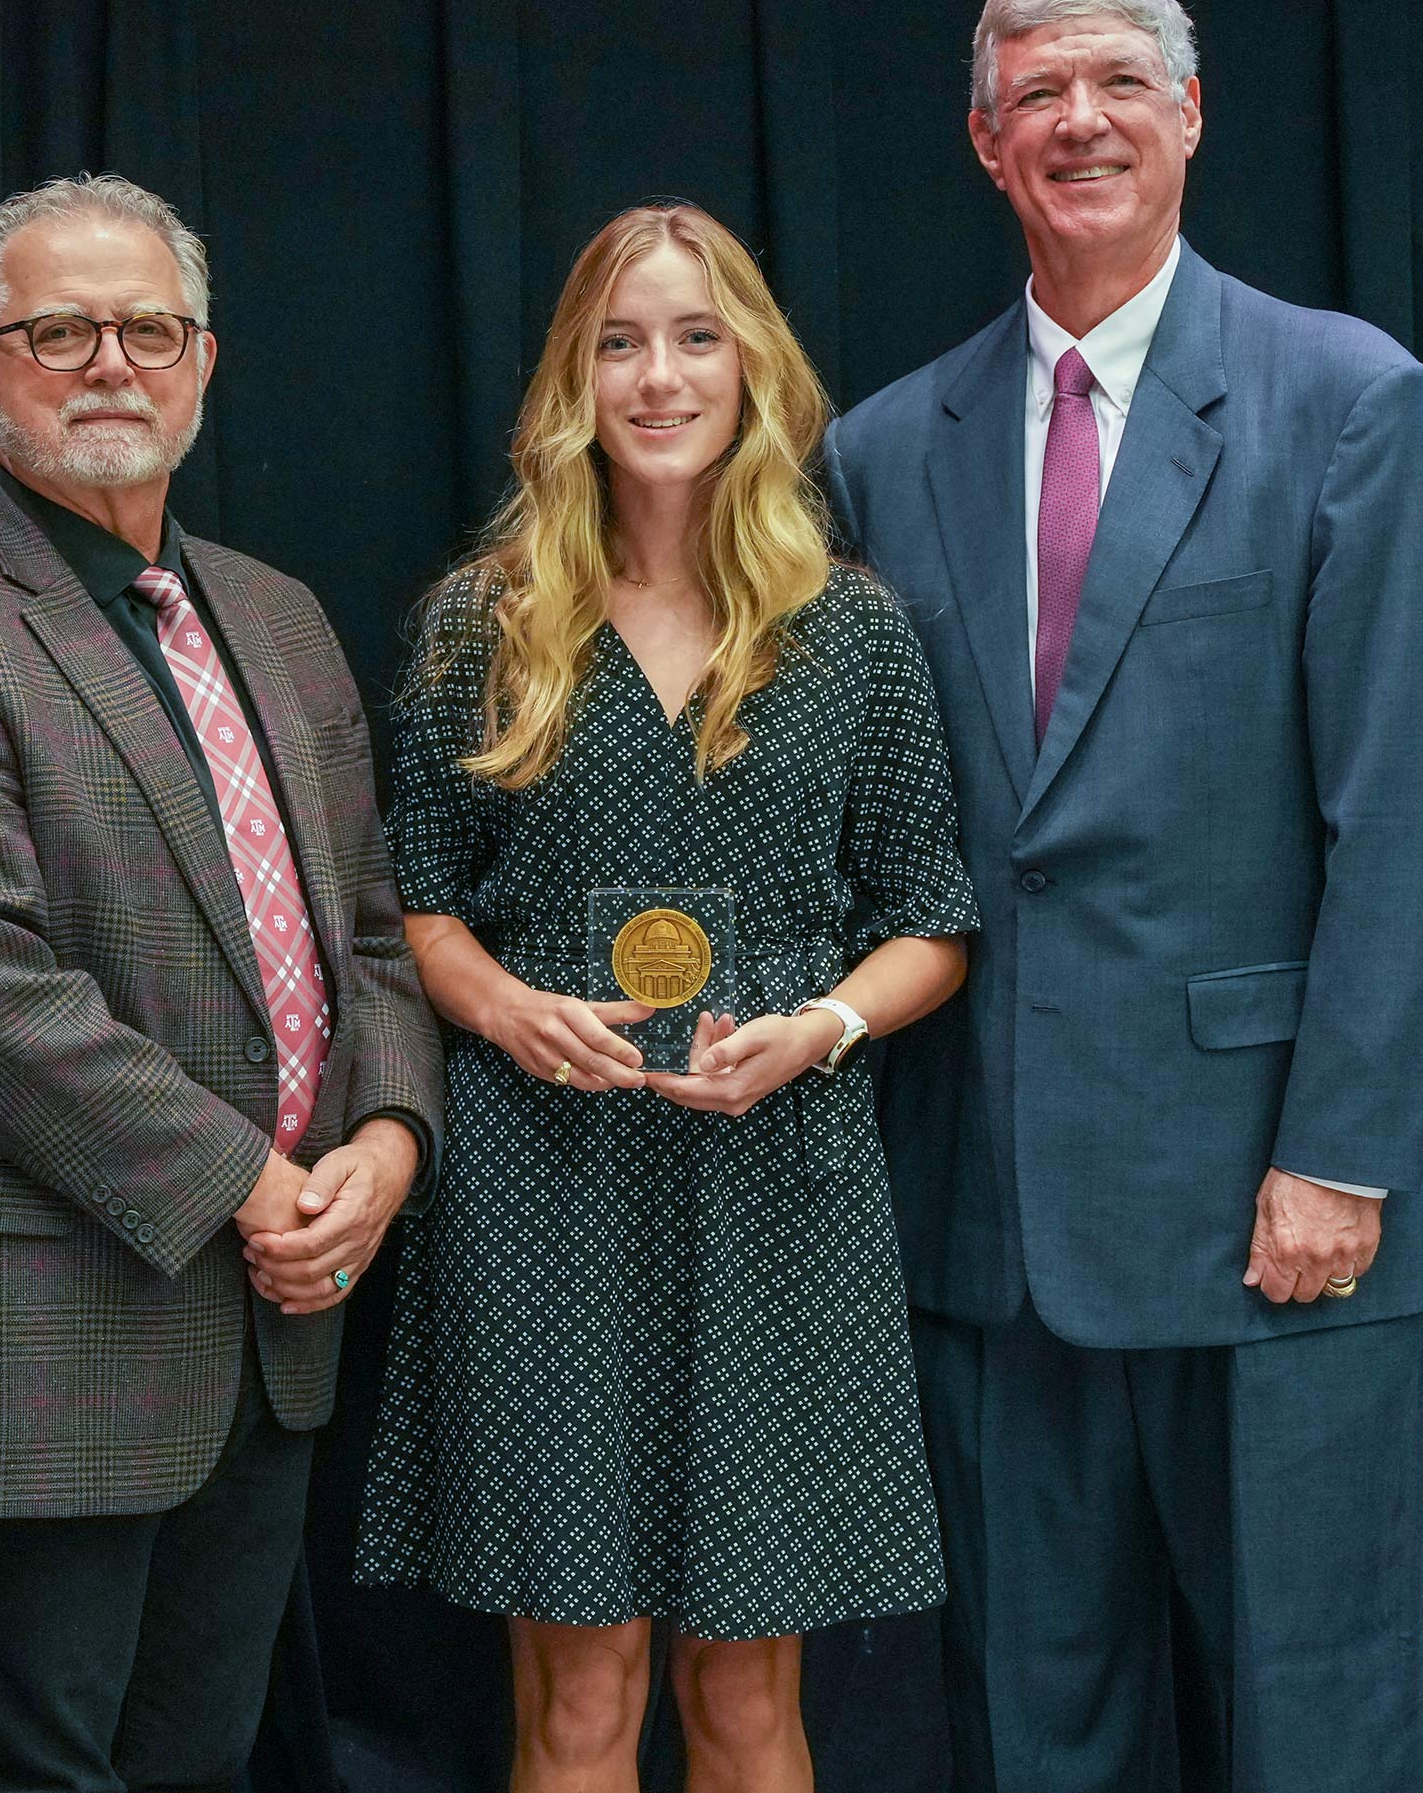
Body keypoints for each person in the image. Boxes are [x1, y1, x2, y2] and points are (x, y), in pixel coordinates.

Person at [827, 0, 1423, 1793]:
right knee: (1036, 1721)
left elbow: (1418, 817)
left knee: (1319, 1714)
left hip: (1281, 1211)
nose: (1081, 122)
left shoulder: (1352, 402)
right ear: (983, 143)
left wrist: (1340, 1154)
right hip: (990, 1213)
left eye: (1121, 83)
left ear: (1192, 116)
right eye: (1037, 96)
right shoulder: (882, 449)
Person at [0, 173, 444, 1793]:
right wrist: (254, 1181)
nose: (110, 364)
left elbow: (371, 932)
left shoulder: (281, 621)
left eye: (148, 329)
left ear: (205, 359)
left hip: (277, 1316)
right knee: (41, 1766)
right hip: (53, 1310)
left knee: (201, 1759)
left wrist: (383, 1145)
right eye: (55, 332)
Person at [356, 201, 978, 1792]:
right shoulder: (478, 628)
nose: (659, 374)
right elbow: (414, 906)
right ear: (573, 378)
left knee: (752, 1707)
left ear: (755, 366)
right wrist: (500, 1007)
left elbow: (931, 925)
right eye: (620, 340)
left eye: (697, 336)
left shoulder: (851, 632)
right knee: (575, 1702)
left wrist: (822, 1028)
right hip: (539, 1182)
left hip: (778, 1176)